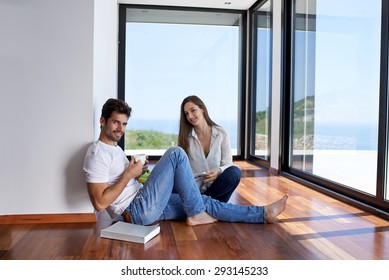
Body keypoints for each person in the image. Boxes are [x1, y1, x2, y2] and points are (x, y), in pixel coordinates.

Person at [83, 98, 288, 226]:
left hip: (145, 200)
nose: (120, 128)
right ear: (102, 121)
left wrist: (137, 171)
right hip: (136, 210)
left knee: (204, 202)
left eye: (124, 124)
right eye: (115, 122)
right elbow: (100, 203)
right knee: (176, 153)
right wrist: (129, 174)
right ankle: (196, 214)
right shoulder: (96, 154)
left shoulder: (114, 149)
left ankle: (263, 214)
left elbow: (124, 181)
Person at [178, 95, 240, 202]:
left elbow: (228, 163)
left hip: (217, 188)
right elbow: (182, 170)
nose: (190, 116)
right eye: (187, 114)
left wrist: (219, 171)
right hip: (195, 189)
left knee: (235, 172)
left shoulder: (221, 133)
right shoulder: (185, 138)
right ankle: (208, 206)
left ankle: (200, 205)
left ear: (202, 109)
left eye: (193, 110)